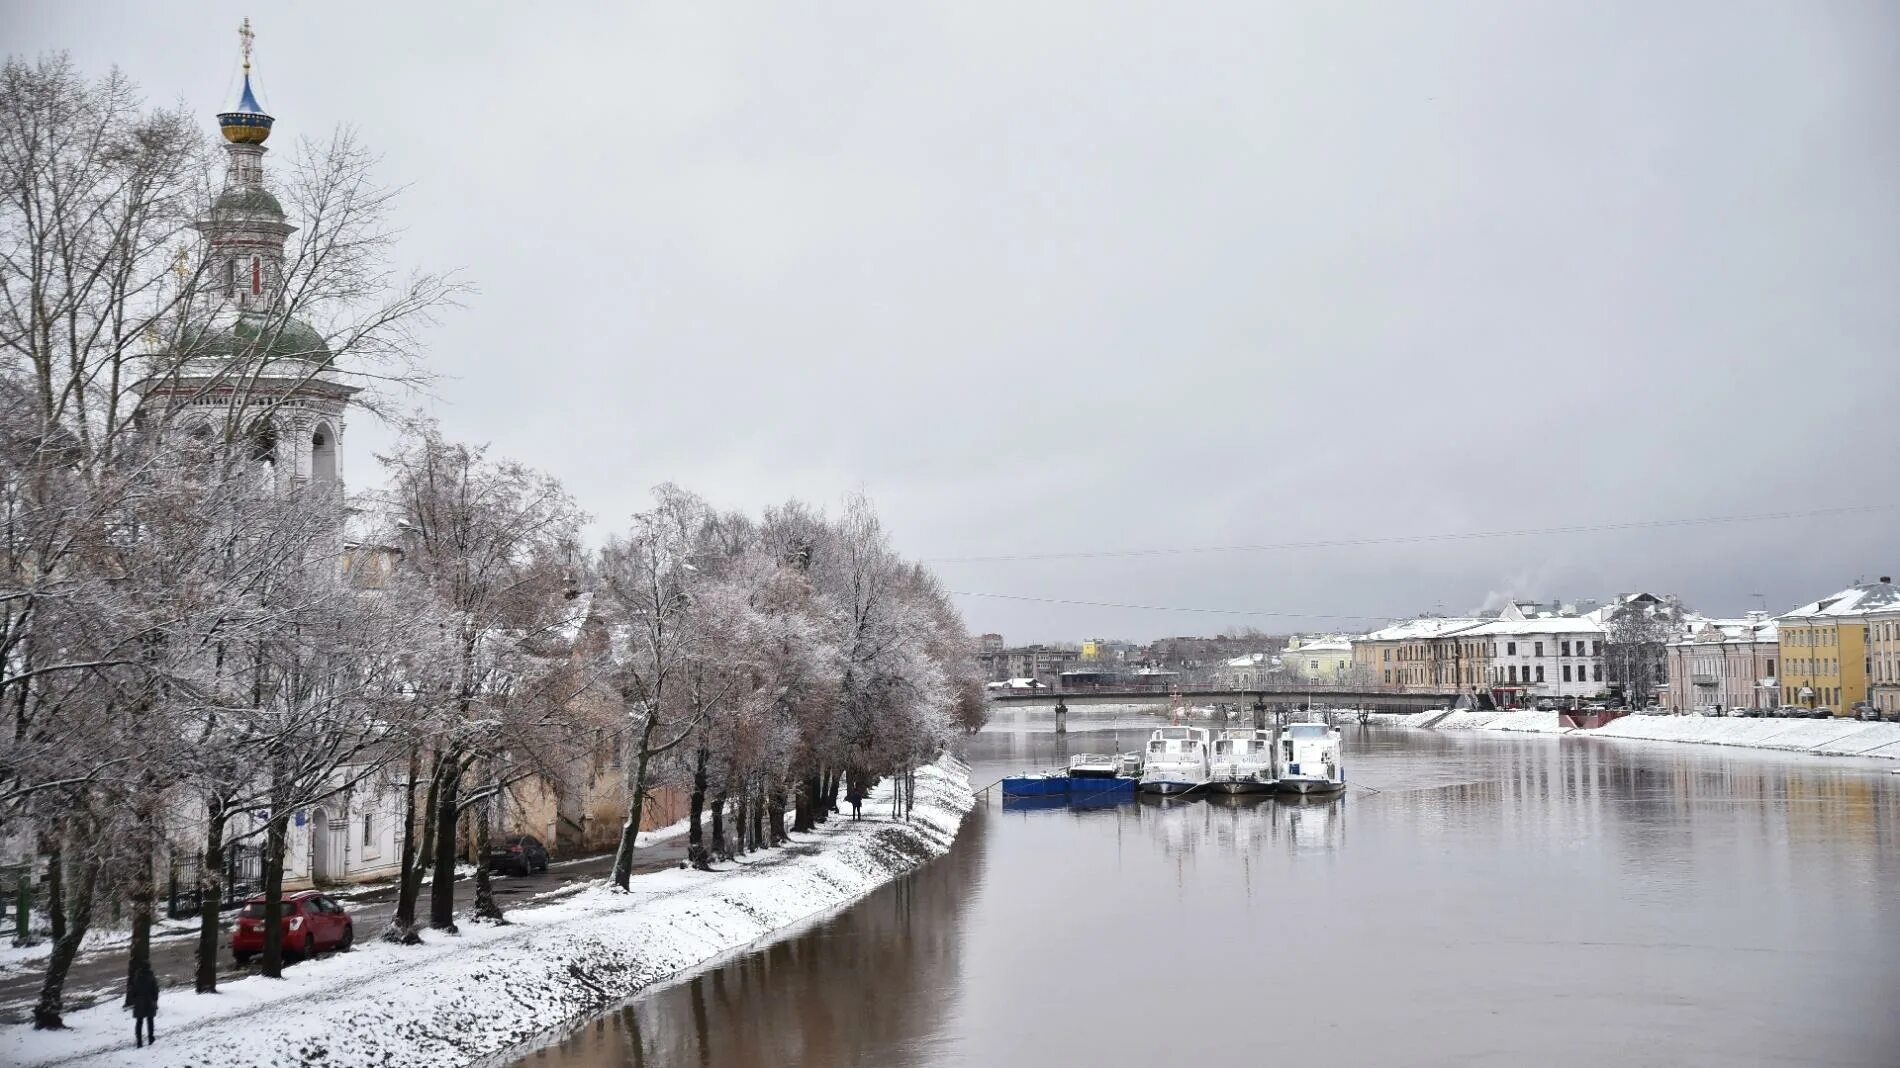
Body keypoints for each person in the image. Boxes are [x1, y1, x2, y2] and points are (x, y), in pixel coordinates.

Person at [129, 960, 159, 1048]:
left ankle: (139, 1041)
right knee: (150, 1021)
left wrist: (134, 999)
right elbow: (155, 989)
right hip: (149, 1001)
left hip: (139, 1002)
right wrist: (155, 999)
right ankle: (150, 1038)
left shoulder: (137, 977)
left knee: (139, 1022)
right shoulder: (151, 976)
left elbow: (133, 990)